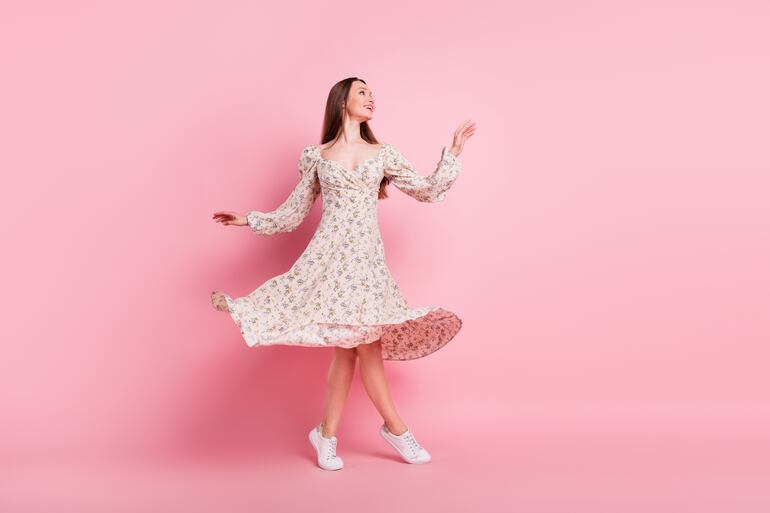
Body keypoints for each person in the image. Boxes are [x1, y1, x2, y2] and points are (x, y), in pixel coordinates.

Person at [211, 77, 475, 470]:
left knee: (357, 345)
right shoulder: (316, 156)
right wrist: (249, 219)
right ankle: (389, 431)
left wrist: (452, 153)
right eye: (362, 92)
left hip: (365, 263)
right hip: (329, 260)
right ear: (341, 102)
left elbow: (426, 189)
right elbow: (293, 212)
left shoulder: (382, 153)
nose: (371, 98)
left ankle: (331, 434)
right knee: (357, 345)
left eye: (372, 93)